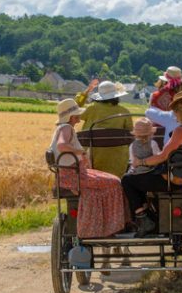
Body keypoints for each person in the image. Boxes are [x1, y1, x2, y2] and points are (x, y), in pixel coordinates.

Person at [122, 90, 182, 237]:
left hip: (172, 179)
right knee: (142, 179)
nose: (174, 115)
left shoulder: (180, 131)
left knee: (128, 180)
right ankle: (152, 219)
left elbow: (162, 156)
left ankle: (144, 219)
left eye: (175, 112)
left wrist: (142, 162)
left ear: (179, 112)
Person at [49, 99, 127, 238]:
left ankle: (103, 225)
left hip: (73, 173)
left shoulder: (63, 128)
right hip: (73, 176)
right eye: (77, 116)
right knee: (115, 182)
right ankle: (110, 227)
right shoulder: (66, 128)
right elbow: (62, 145)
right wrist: (82, 152)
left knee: (109, 179)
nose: (79, 119)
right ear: (71, 117)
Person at [74, 80, 133, 178]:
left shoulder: (92, 109)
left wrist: (86, 92)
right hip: (118, 161)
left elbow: (74, 109)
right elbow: (130, 133)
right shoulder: (124, 111)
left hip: (94, 159)